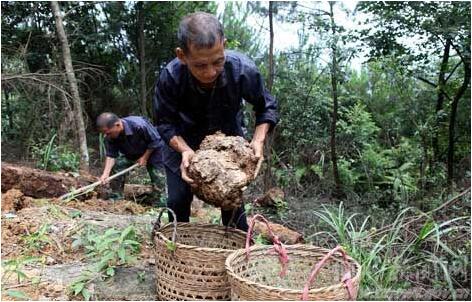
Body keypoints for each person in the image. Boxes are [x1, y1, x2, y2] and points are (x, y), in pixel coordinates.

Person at [152, 12, 278, 231]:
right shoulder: (171, 77)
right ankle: (178, 250)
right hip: (182, 140)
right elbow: (164, 122)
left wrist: (258, 141)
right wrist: (184, 151)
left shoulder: (242, 70)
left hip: (227, 141)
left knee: (232, 204)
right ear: (182, 56)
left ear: (224, 45)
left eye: (218, 61)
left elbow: (266, 106)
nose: (211, 72)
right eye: (200, 65)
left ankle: (236, 256)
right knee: (177, 199)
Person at [97, 112, 164, 201]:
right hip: (131, 153)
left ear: (117, 125)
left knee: (158, 176)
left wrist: (144, 158)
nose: (107, 135)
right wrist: (105, 173)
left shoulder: (139, 125)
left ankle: (159, 202)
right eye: (105, 133)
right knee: (117, 165)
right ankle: (116, 197)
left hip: (152, 152)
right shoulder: (111, 136)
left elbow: (155, 141)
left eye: (108, 133)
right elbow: (111, 155)